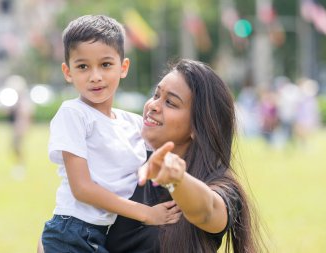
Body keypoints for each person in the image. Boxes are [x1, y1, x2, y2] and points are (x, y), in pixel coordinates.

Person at [41, 15, 180, 253]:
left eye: (105, 65)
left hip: (103, 235)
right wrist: (146, 213)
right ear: (68, 71)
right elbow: (82, 188)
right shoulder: (73, 114)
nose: (95, 76)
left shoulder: (133, 123)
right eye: (83, 66)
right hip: (72, 233)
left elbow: (162, 153)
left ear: (123, 67)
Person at [106, 59, 266, 253]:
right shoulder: (127, 165)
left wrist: (176, 180)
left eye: (170, 102)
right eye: (156, 94)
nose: (153, 106)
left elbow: (207, 211)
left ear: (197, 127)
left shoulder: (222, 188)